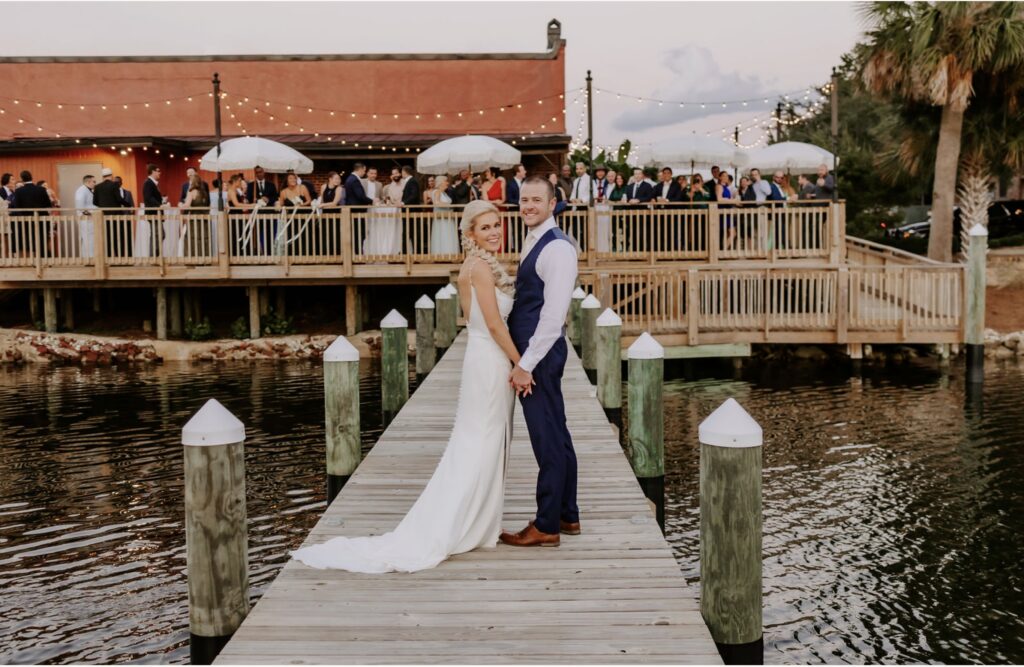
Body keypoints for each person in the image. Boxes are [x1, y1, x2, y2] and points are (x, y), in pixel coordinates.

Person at [290, 200, 518, 573]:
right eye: (486, 227)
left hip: (484, 357)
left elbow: (476, 320)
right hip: (490, 360)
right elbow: (493, 325)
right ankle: (461, 523)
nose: (494, 232)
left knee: (481, 438)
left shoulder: (477, 266)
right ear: (470, 234)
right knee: (481, 439)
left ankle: (478, 523)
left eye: (497, 225)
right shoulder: (478, 268)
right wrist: (521, 362)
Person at [501, 176, 580, 547]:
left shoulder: (558, 249)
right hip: (537, 355)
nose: (528, 206)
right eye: (523, 199)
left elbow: (553, 317)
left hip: (540, 356)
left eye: (536, 200)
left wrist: (525, 364)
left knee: (546, 439)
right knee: (557, 432)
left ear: (553, 205)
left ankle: (547, 524)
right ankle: (567, 514)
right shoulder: (533, 240)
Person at [429, 174, 459, 255]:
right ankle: (442, 254)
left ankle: (450, 253)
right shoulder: (437, 192)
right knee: (443, 234)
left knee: (448, 235)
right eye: (446, 181)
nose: (447, 183)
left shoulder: (444, 193)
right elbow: (436, 203)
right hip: (441, 219)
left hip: (448, 218)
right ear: (441, 183)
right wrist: (449, 205)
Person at [74, 173, 98, 258]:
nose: (95, 183)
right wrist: (90, 214)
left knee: (90, 239)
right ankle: (89, 258)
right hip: (86, 219)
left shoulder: (87, 190)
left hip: (89, 219)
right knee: (88, 238)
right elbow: (80, 206)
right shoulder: (82, 190)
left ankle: (89, 257)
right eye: (94, 182)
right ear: (88, 181)